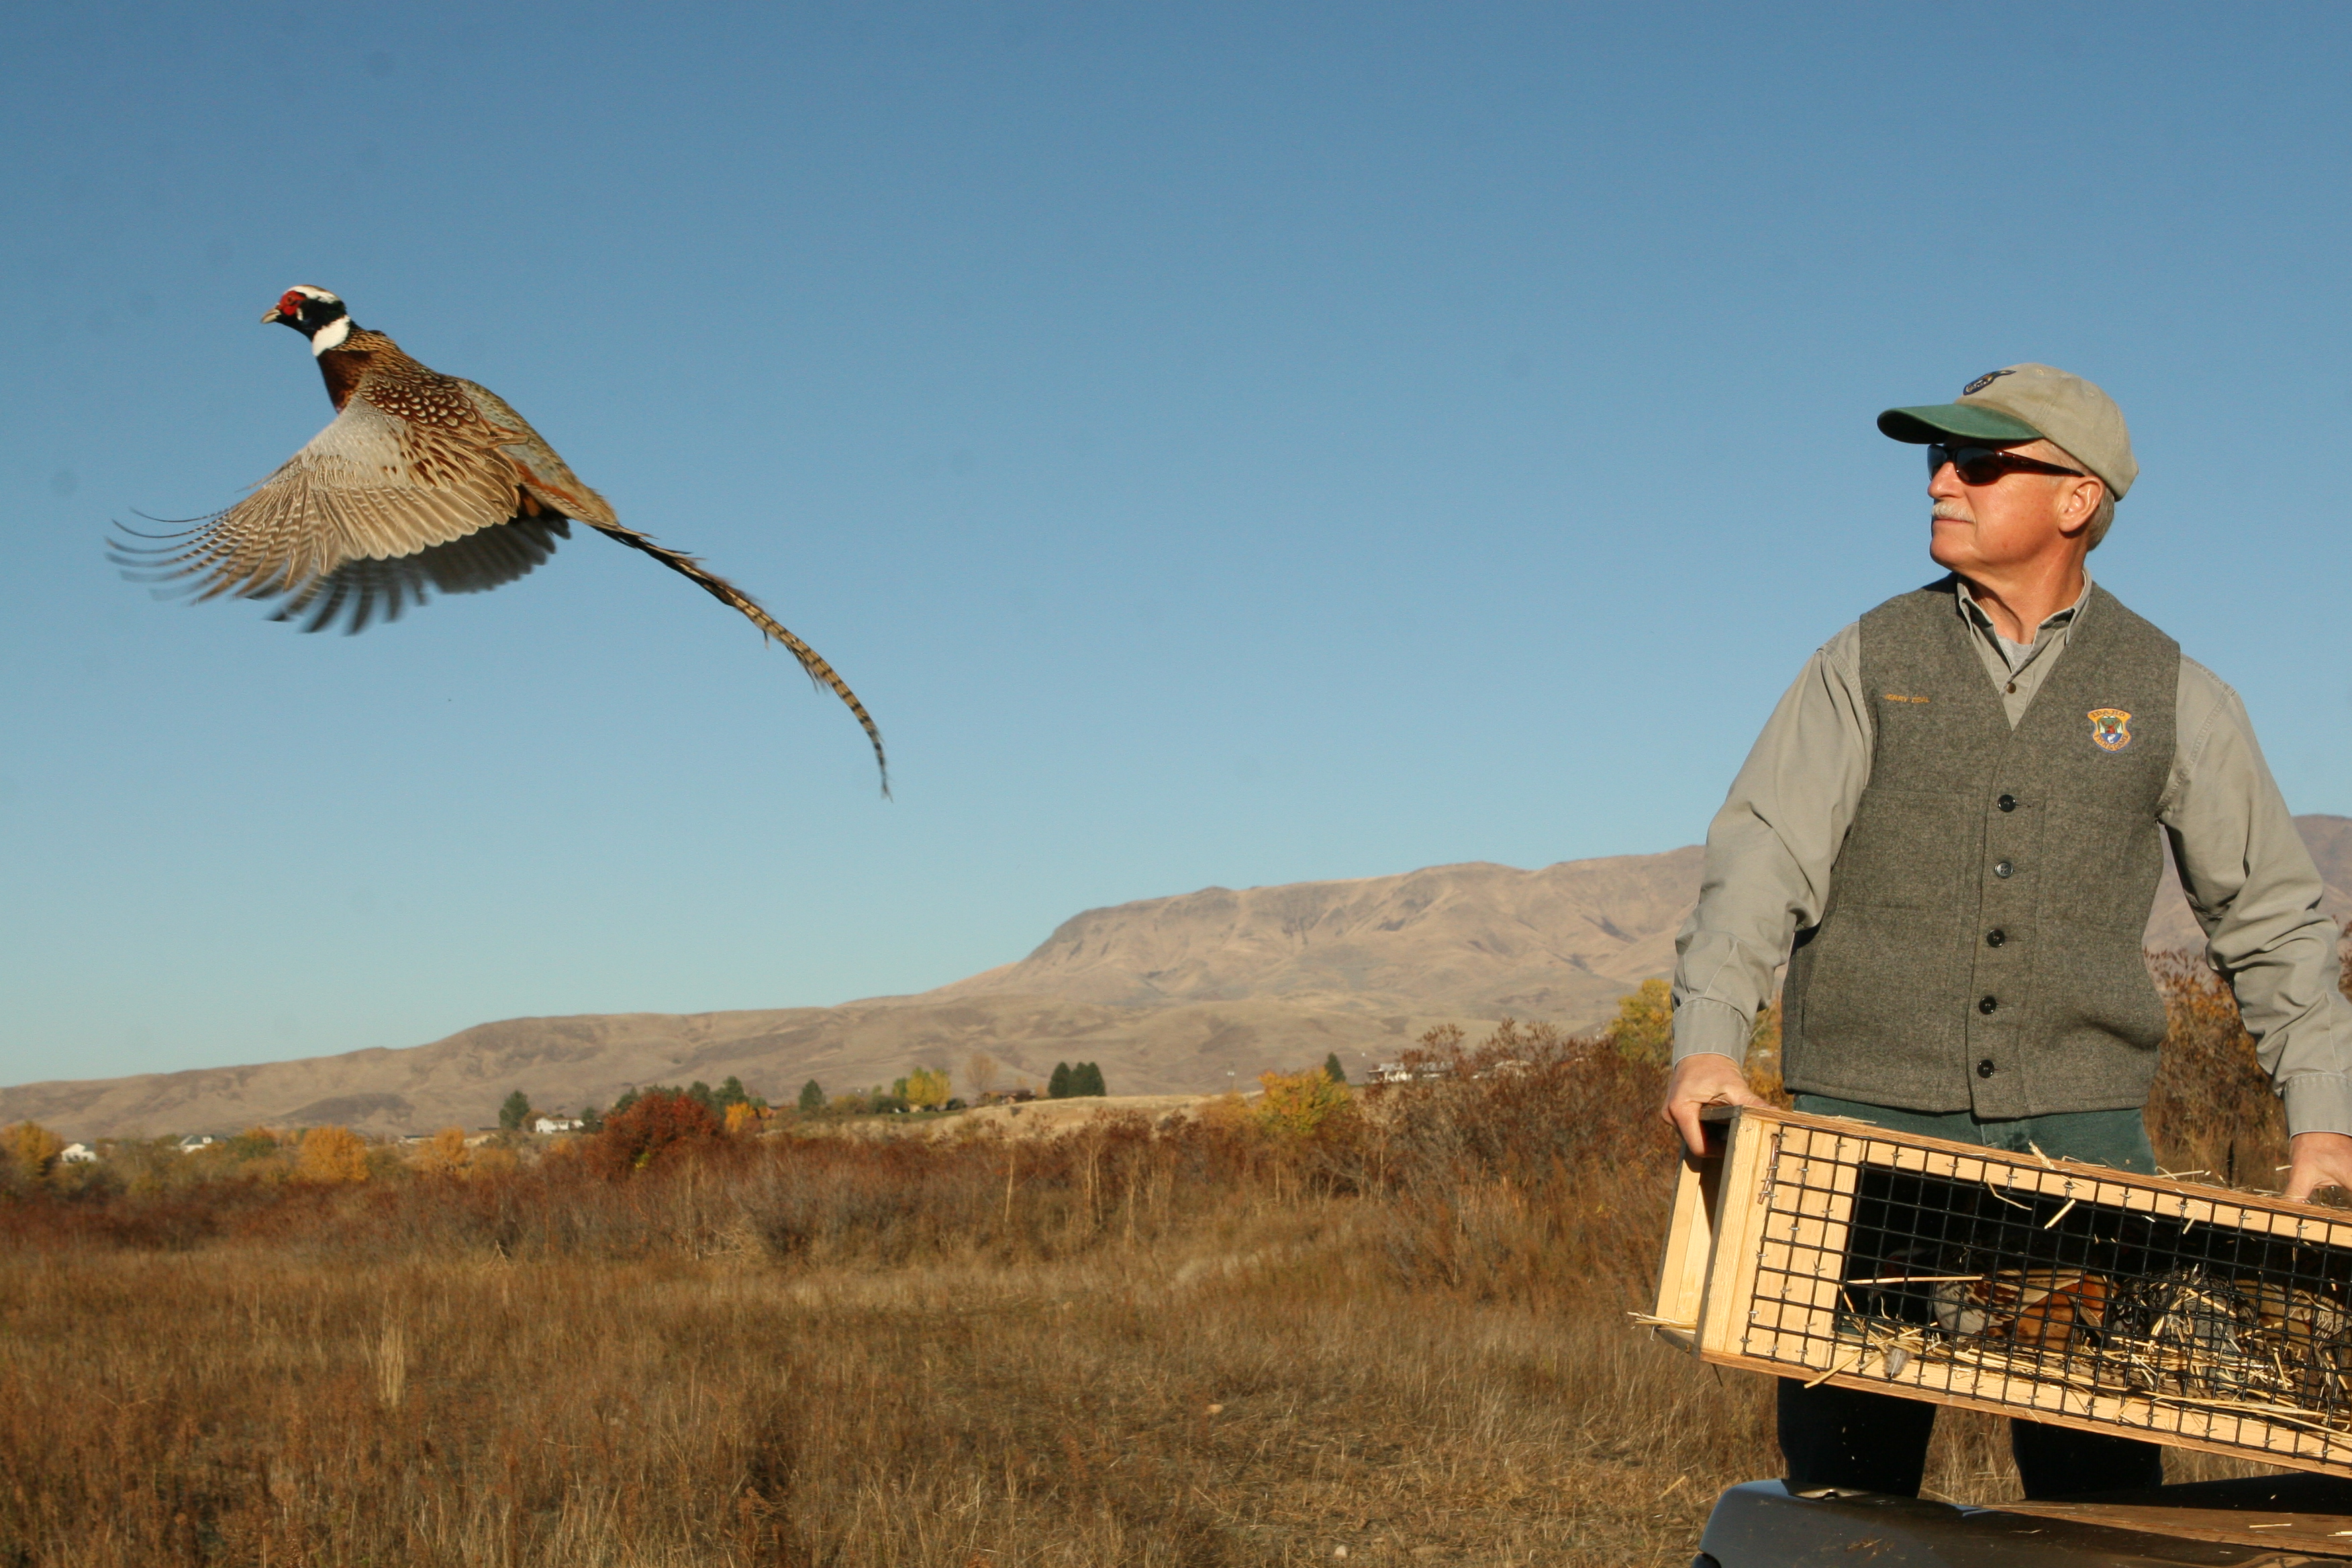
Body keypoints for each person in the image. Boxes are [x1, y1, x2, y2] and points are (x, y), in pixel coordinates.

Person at [1659, 362, 2352, 1501]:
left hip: (2084, 1161)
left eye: (1980, 462)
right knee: (1842, 1499)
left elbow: (2271, 921)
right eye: (1938, 458)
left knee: (2097, 1501)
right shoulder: (1864, 661)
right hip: (1855, 1147)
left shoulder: (2180, 694)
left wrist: (2322, 1123)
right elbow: (1760, 859)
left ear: (2077, 502)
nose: (1942, 480)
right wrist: (1709, 1039)